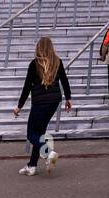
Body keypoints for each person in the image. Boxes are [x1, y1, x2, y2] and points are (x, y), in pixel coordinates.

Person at [12, 37, 72, 175]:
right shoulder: (58, 61)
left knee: (31, 134)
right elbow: (64, 80)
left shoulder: (34, 64)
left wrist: (19, 106)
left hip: (39, 103)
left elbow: (27, 87)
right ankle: (32, 166)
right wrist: (68, 98)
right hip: (54, 102)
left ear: (38, 48)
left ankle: (48, 153)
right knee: (39, 134)